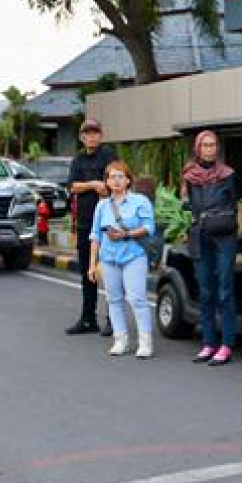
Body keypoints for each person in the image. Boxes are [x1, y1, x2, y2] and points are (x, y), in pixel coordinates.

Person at [181, 129, 240, 366]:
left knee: (225, 290)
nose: (209, 149)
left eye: (213, 145)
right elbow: (188, 204)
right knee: (206, 290)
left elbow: (234, 201)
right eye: (205, 145)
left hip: (224, 235)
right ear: (198, 148)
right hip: (199, 234)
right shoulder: (190, 175)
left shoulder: (228, 174)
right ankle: (208, 343)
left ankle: (226, 344)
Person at [88, 159, 156, 359]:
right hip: (108, 258)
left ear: (128, 180)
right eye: (112, 177)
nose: (116, 181)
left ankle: (145, 342)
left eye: (120, 176)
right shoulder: (101, 206)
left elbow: (149, 227)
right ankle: (121, 340)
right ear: (107, 182)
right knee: (113, 299)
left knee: (137, 298)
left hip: (134, 255)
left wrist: (126, 234)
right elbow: (95, 236)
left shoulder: (140, 201)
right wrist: (92, 264)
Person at [66, 118, 115, 336]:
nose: (92, 136)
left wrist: (105, 186)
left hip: (109, 222)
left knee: (112, 272)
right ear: (82, 137)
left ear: (101, 135)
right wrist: (94, 185)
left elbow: (117, 181)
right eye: (88, 133)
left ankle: (114, 320)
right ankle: (88, 319)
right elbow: (72, 186)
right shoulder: (77, 160)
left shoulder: (109, 156)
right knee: (88, 271)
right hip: (86, 222)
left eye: (95, 132)